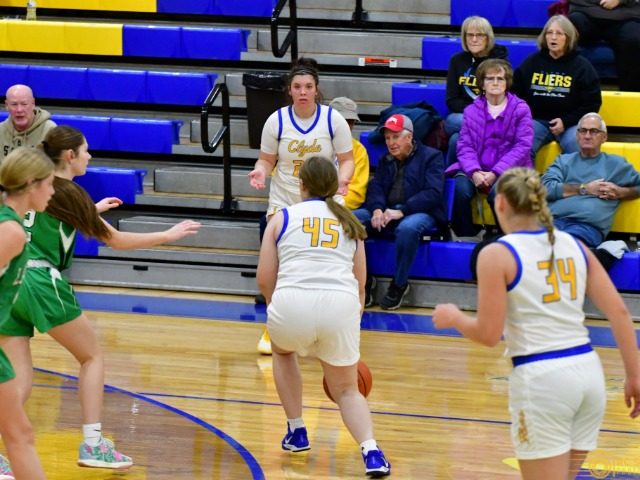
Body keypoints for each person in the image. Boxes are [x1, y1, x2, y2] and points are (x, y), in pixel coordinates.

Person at [0, 125, 201, 470]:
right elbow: (117, 241)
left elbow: (47, 219)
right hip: (41, 280)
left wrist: (91, 210)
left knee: (18, 376)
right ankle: (93, 445)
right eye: (85, 150)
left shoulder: (34, 188)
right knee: (91, 356)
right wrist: (168, 234)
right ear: (70, 156)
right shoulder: (67, 191)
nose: (90, 156)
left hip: (11, 282)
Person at [433, 166, 640, 480]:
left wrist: (455, 317)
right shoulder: (574, 244)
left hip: (543, 380)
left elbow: (488, 334)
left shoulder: (497, 253)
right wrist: (634, 377)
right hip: (589, 375)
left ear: (500, 203)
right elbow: (620, 313)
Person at [256, 155, 390, 477]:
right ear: (335, 186)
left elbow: (264, 278)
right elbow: (360, 283)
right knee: (347, 389)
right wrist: (353, 316)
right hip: (340, 304)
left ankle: (297, 430)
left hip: (292, 301)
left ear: (301, 185)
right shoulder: (351, 222)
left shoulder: (281, 217)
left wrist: (276, 306)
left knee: (283, 352)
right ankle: (372, 452)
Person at [248, 57, 355, 354]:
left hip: (325, 197)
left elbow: (347, 160)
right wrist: (260, 171)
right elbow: (266, 160)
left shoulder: (333, 119)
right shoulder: (276, 120)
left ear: (316, 89)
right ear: (290, 90)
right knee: (278, 267)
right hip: (286, 199)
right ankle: (274, 323)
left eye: (308, 86)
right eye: (297, 87)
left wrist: (342, 179)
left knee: (328, 262)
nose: (303, 92)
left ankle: (330, 323)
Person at [353, 114, 446, 310]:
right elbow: (376, 188)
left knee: (408, 228)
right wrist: (377, 209)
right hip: (388, 211)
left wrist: (403, 210)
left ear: (409, 137)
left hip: (421, 212)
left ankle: (399, 284)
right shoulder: (385, 159)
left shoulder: (432, 156)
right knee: (352, 220)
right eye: (387, 138)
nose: (390, 143)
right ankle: (365, 279)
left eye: (395, 137)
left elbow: (433, 193)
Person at [0, 148, 53, 480]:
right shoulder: (11, 232)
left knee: (19, 434)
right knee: (20, 436)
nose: (53, 191)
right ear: (32, 183)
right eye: (49, 184)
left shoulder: (12, 225)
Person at [447, 58, 533, 239]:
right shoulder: (471, 111)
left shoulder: (521, 109)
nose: (495, 83)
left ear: (507, 82)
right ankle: (466, 236)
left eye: (500, 78)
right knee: (459, 188)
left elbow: (522, 146)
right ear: (482, 83)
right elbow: (465, 146)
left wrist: (496, 172)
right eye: (490, 78)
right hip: (478, 168)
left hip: (510, 170)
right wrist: (474, 171)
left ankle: (506, 237)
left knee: (498, 193)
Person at [541, 112, 640, 249]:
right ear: (577, 135)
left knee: (561, 247)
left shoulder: (616, 164)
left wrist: (621, 192)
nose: (587, 136)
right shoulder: (563, 161)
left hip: (586, 228)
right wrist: (585, 188)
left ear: (604, 137)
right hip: (552, 222)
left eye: (594, 131)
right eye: (583, 131)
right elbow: (545, 188)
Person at [512, 15, 601, 161]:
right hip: (536, 121)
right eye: (550, 33)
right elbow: (515, 95)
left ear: (568, 38)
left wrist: (566, 121)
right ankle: (526, 177)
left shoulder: (582, 66)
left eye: (559, 33)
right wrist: (525, 117)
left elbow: (592, 103)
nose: (553, 37)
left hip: (571, 124)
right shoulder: (531, 62)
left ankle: (575, 177)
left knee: (577, 144)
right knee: (522, 145)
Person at [445, 16, 508, 166]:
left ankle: (454, 175)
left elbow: (503, 98)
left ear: (488, 37)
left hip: (491, 114)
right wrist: (475, 113)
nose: (474, 39)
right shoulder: (456, 61)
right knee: (454, 121)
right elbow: (452, 99)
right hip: (463, 115)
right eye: (470, 35)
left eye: (479, 35)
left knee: (456, 139)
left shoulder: (499, 63)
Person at [568, 0, 640, 92]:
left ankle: (631, 96)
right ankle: (564, 91)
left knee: (633, 40)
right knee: (568, 30)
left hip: (626, 17)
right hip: (585, 12)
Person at [328, 96, 370, 210]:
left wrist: (328, 206)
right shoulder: (311, 142)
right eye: (343, 121)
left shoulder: (358, 150)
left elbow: (356, 194)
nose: (347, 126)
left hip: (340, 208)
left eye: (351, 121)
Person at [0, 85, 56, 160]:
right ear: (7, 105)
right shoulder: (1, 130)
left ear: (33, 103)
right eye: (14, 104)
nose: (19, 110)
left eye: (24, 104)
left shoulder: (50, 130)